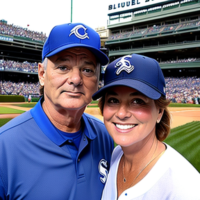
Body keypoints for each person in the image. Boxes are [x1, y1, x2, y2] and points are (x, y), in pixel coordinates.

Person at [0, 23, 114, 200]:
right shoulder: (4, 147)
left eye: (87, 70)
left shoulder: (105, 136)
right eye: (63, 67)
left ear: (98, 80)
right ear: (42, 74)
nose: (76, 79)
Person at [92, 54, 200, 200]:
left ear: (159, 112)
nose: (122, 113)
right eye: (113, 100)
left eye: (137, 101)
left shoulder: (186, 189)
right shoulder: (116, 155)